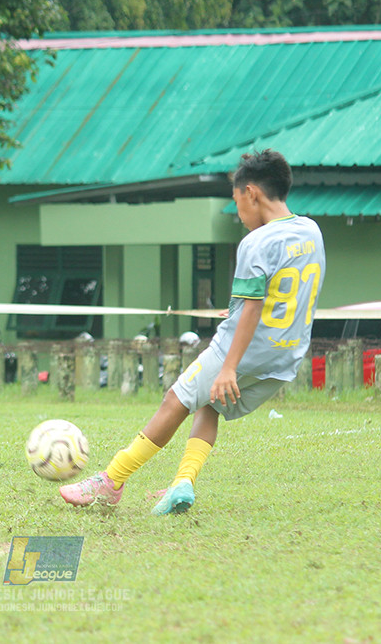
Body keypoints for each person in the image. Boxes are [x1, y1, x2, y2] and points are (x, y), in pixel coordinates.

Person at [60, 150, 326, 515]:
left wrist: (229, 366)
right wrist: (236, 312)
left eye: (236, 203)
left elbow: (253, 307)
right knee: (209, 405)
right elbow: (285, 294)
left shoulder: (256, 242)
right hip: (285, 355)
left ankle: (110, 482)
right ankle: (182, 482)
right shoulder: (311, 231)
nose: (238, 214)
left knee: (176, 400)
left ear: (251, 193)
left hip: (243, 350)